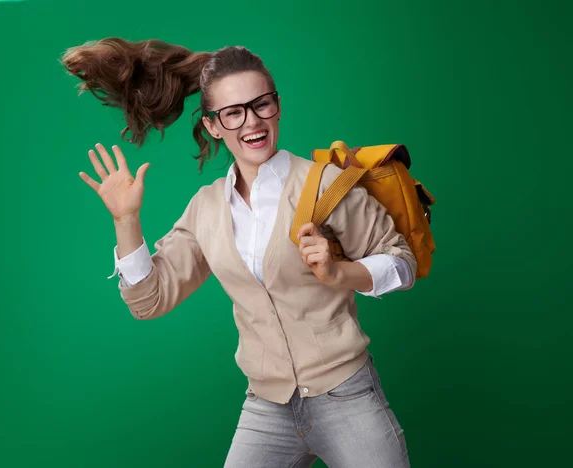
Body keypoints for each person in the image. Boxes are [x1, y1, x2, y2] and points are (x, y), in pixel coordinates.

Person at [61, 38, 417, 468]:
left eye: (261, 104)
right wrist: (125, 220)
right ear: (213, 125)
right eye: (233, 112)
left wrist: (341, 273)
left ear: (277, 106)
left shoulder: (325, 185)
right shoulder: (207, 208)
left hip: (346, 395)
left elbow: (402, 262)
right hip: (267, 407)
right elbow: (149, 301)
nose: (252, 121)